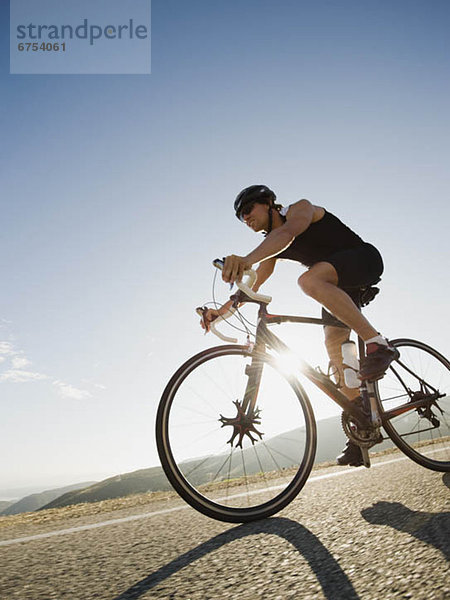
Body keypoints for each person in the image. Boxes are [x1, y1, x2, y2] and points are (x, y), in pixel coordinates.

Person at [200, 185, 399, 467]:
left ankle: (378, 343)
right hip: (338, 283)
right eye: (240, 217)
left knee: (308, 281)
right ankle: (361, 426)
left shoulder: (299, 210)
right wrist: (219, 314)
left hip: (363, 260)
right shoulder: (272, 244)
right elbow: (252, 286)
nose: (245, 219)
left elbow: (287, 234)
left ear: (268, 203)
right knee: (333, 344)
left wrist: (244, 260)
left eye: (248, 210)